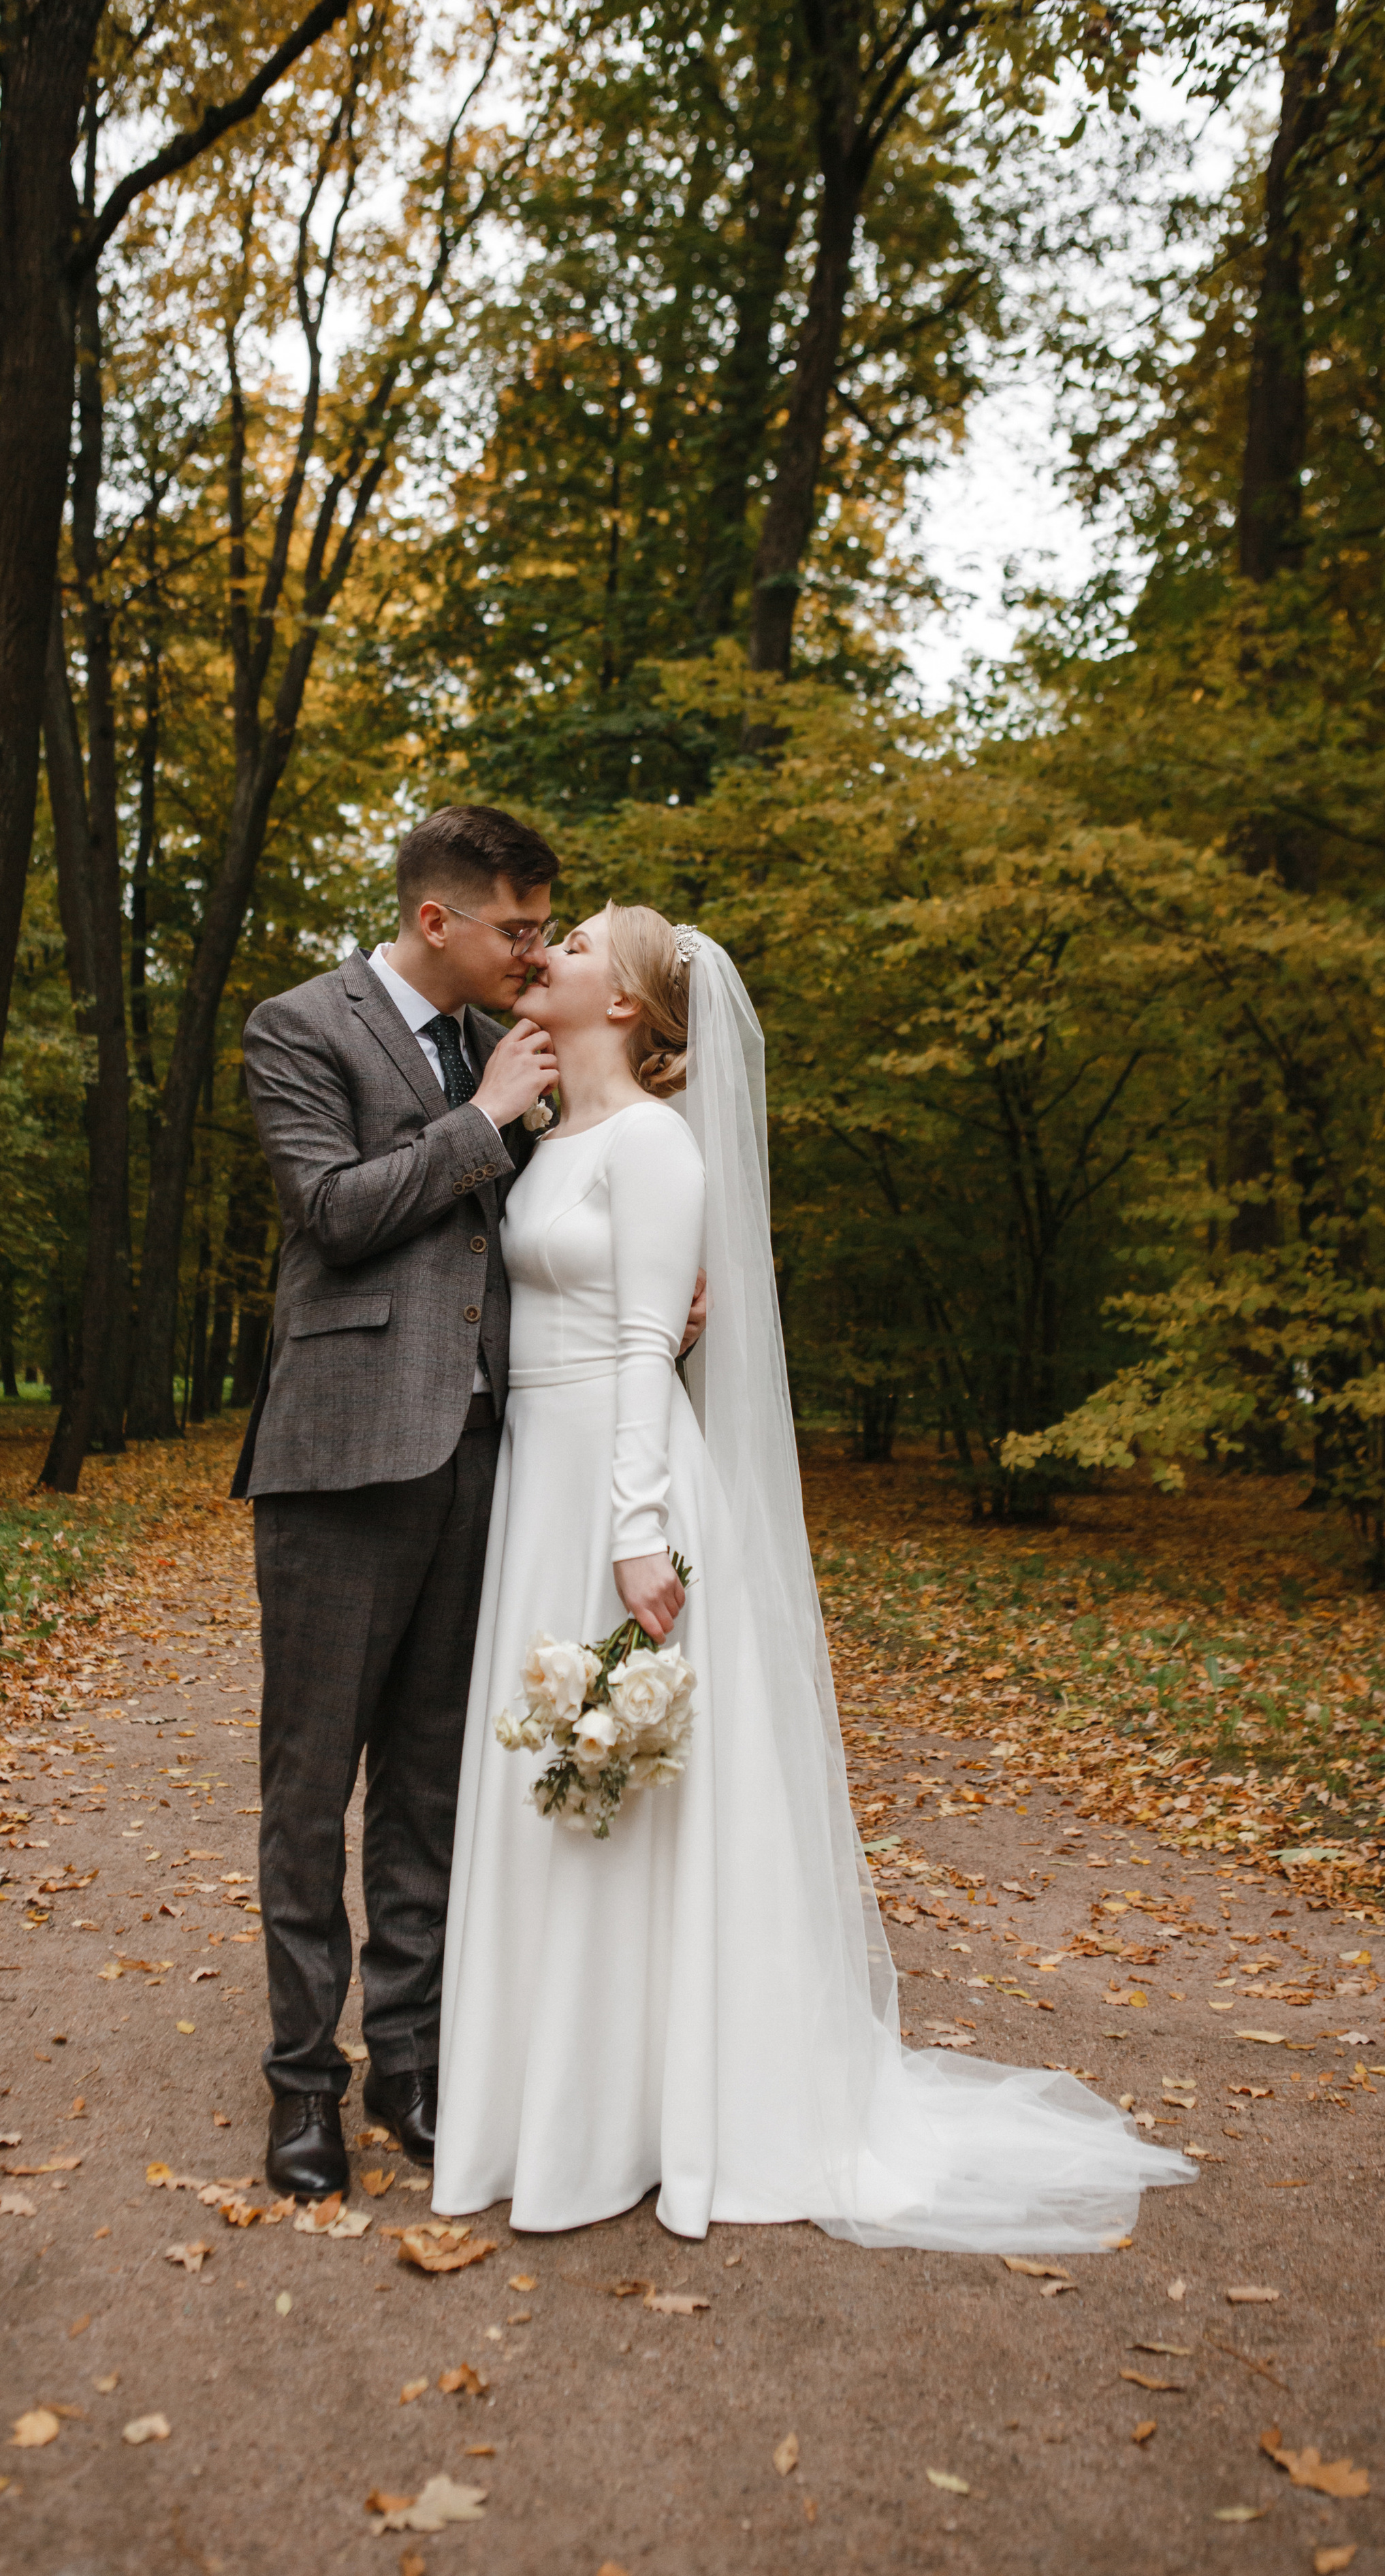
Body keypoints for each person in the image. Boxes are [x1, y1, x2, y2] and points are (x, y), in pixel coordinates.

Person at [434, 905, 1196, 2249]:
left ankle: (643, 2120)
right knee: (555, 1785)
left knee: (627, 1798)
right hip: (535, 1486)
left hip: (616, 1491)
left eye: (582, 942)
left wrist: (636, 1530)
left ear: (627, 1003)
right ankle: (552, 2103)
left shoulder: (657, 1145)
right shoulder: (543, 1138)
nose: (549, 949)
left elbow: (638, 1348)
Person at [232, 804, 563, 2205]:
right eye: (518, 929)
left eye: (545, 929)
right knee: (311, 1785)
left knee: (430, 1783)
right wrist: (483, 1122)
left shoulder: (510, 1048)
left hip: (486, 1457)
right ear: (438, 919)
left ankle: (408, 2063)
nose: (536, 952)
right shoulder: (301, 1026)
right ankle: (302, 2080)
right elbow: (333, 1211)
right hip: (339, 1452)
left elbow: (543, 1234)